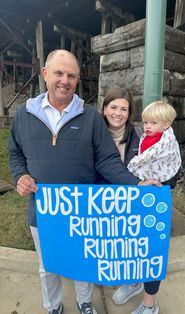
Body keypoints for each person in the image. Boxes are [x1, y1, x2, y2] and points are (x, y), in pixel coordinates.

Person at [8, 49, 160, 314]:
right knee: (49, 264)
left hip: (82, 209)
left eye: (71, 75)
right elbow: (15, 152)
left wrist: (136, 184)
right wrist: (21, 175)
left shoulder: (90, 117)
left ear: (77, 80)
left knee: (83, 260)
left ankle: (85, 302)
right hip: (43, 209)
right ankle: (53, 306)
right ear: (45, 74)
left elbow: (107, 160)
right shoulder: (24, 114)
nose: (64, 80)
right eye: (58, 73)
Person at [102, 92, 180, 314]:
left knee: (151, 250)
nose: (118, 113)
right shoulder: (96, 134)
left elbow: (170, 170)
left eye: (123, 109)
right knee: (130, 247)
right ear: (105, 108)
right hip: (123, 204)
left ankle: (149, 304)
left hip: (150, 203)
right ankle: (133, 281)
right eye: (113, 107)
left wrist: (158, 183)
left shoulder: (145, 138)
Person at [125, 100, 181, 314]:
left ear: (166, 124)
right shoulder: (147, 137)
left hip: (156, 195)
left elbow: (159, 161)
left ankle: (150, 304)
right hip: (138, 195)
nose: (146, 126)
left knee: (152, 245)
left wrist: (135, 167)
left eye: (153, 122)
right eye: (145, 121)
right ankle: (133, 282)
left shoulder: (163, 141)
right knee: (132, 240)